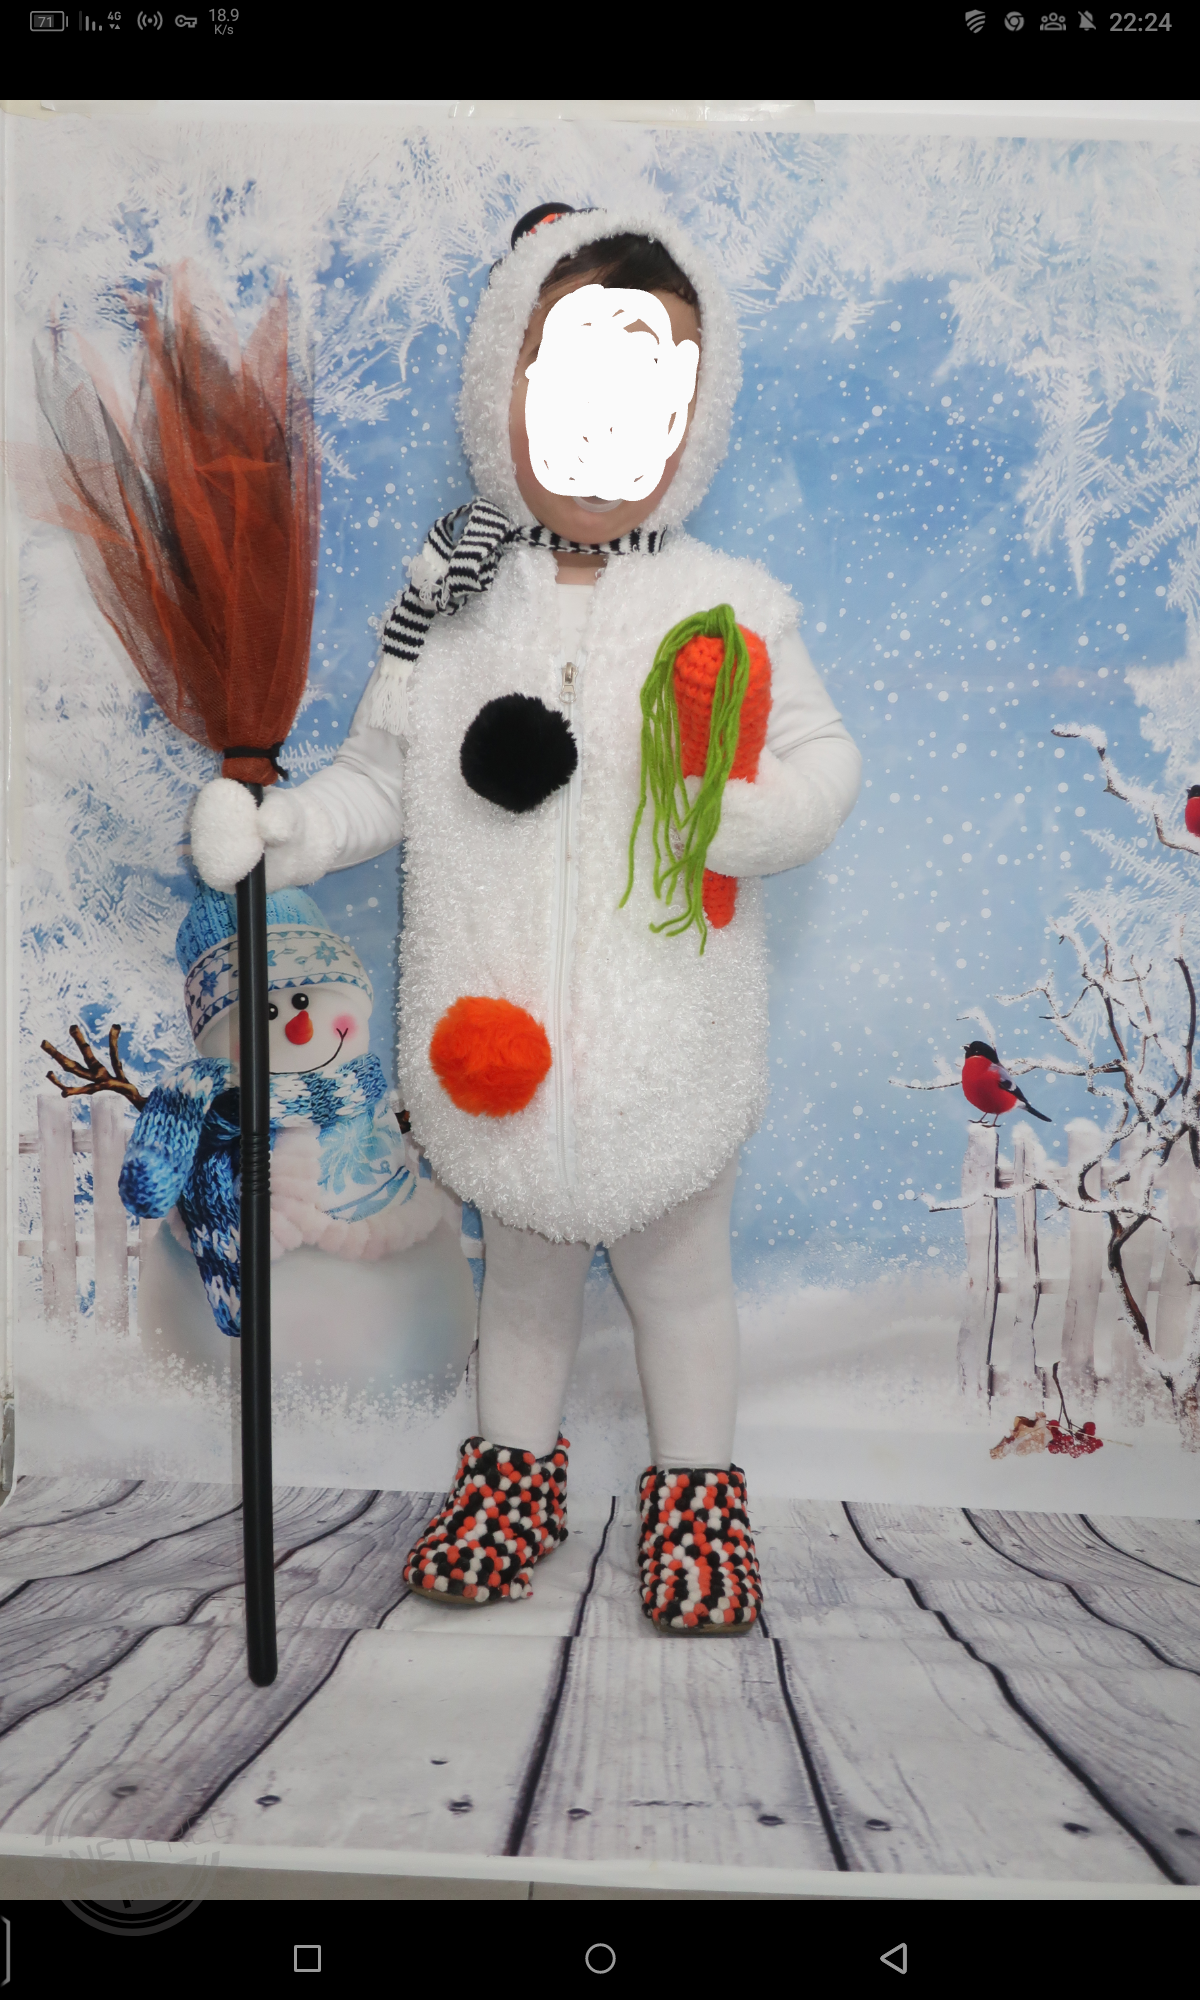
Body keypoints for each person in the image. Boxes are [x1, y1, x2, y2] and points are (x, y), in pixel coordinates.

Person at [191, 201, 862, 1633]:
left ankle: (697, 1497)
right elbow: (384, 776)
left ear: (695, 418)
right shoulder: (451, 602)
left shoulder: (732, 607)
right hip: (499, 1049)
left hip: (663, 1045)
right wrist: (286, 830)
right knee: (526, 1288)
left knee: (683, 1288)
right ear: (507, 385)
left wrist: (746, 819)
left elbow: (822, 764)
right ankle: (511, 1480)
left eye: (647, 393)